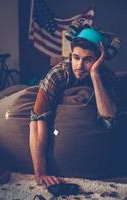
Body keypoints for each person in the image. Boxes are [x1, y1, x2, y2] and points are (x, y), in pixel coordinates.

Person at [29, 26, 120, 187]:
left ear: (99, 59)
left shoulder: (107, 77)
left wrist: (95, 74)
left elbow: (109, 120)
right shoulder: (58, 74)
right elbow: (37, 121)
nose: (79, 65)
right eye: (76, 57)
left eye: (88, 59)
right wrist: (40, 173)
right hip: (37, 96)